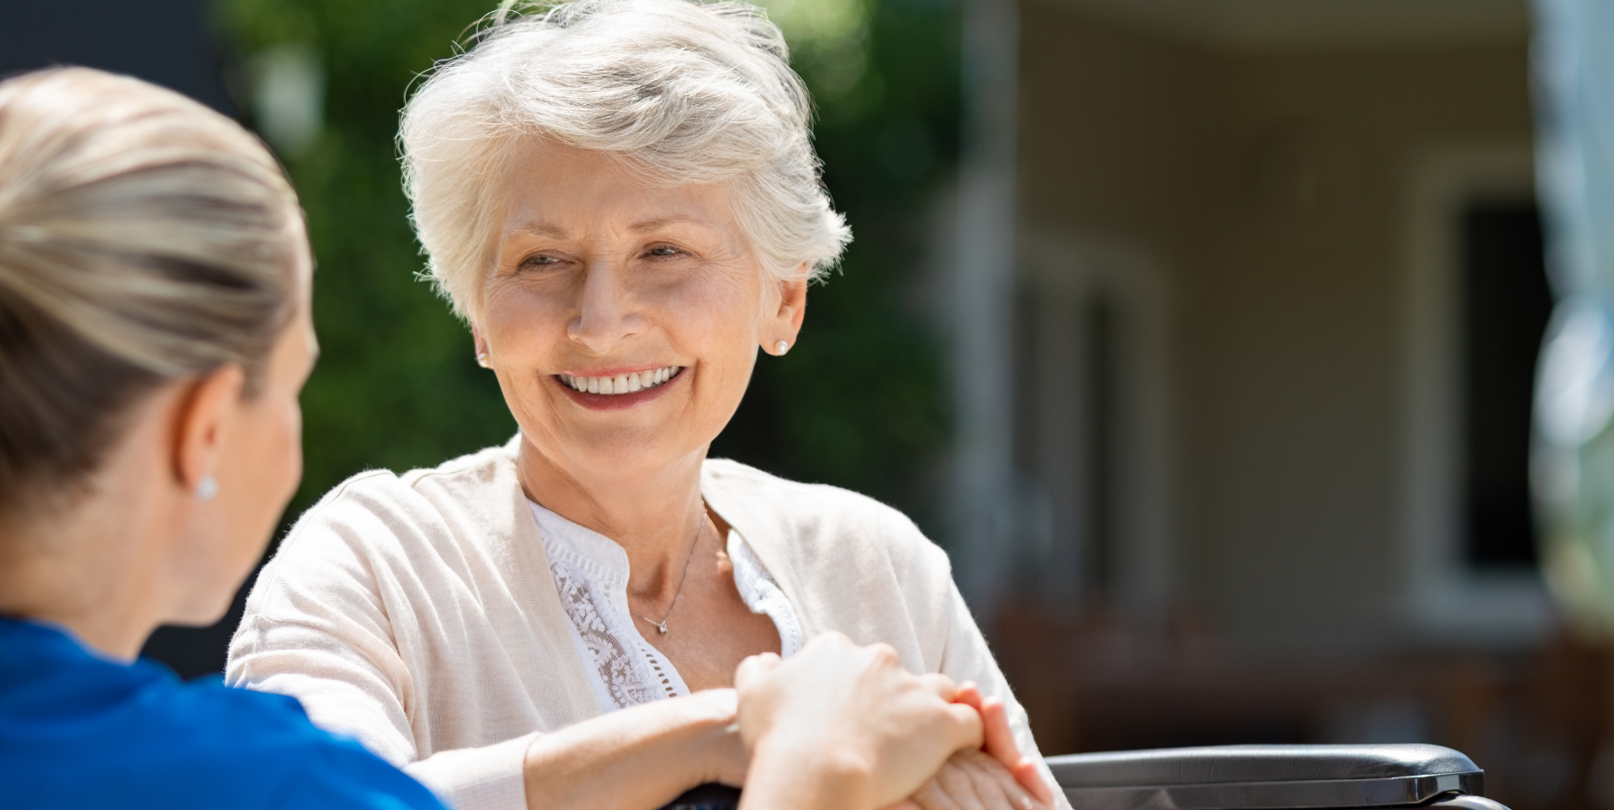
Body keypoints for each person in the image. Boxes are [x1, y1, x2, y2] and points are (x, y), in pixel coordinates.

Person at [0, 66, 989, 810]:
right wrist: (803, 767)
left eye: (665, 251)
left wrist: (721, 733)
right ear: (204, 429)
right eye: (292, 384)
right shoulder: (259, 785)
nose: (602, 318)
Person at [225, 3, 1070, 810]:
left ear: (784, 301)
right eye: (543, 260)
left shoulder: (876, 565)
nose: (599, 324)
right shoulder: (373, 565)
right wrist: (738, 735)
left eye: (664, 251)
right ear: (479, 314)